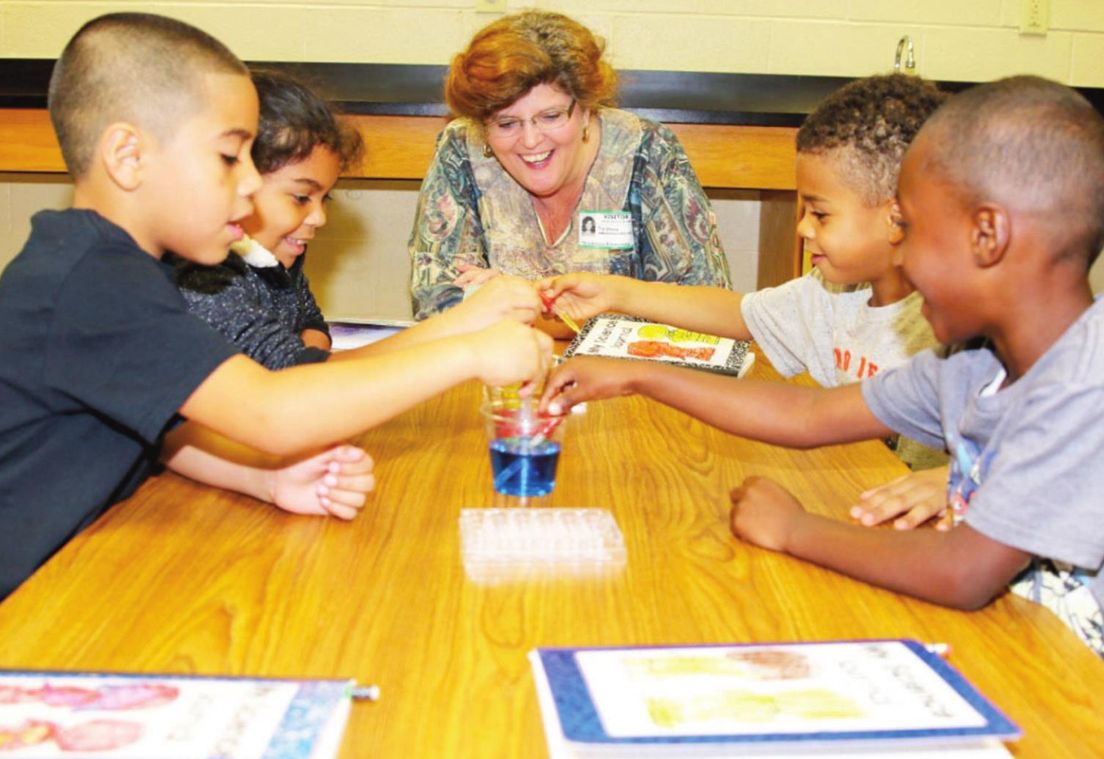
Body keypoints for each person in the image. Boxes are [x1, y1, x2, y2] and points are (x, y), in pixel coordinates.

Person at [542, 76, 1104, 692]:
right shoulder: (974, 362)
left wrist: (796, 529)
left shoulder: (1098, 377)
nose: (902, 258)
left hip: (1098, 705)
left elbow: (966, 572)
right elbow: (809, 416)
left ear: (986, 236)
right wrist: (638, 375)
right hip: (1017, 655)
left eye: (916, 232)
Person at [0, 12, 551, 600]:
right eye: (229, 157)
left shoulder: (120, 267)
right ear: (128, 156)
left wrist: (263, 480)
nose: (246, 186)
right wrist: (469, 352)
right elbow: (273, 412)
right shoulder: (93, 282)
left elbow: (160, 429)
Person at [541, 74, 948, 473]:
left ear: (897, 217)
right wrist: (616, 293)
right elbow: (744, 316)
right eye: (803, 211)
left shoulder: (955, 328)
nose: (803, 228)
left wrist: (943, 485)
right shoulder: (832, 292)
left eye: (821, 215)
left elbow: (1002, 459)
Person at [176, 69, 542, 369]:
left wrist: (308, 357)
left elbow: (311, 325)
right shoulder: (203, 279)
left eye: (324, 198)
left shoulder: (274, 255)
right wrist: (459, 327)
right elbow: (293, 385)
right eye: (301, 197)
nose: (318, 218)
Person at [408, 9, 732, 333]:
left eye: (551, 116)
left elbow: (708, 307)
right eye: (507, 123)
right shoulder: (462, 151)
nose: (531, 141)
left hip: (627, 376)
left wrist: (519, 304)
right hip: (502, 374)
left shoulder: (649, 153)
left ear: (587, 107)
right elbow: (436, 303)